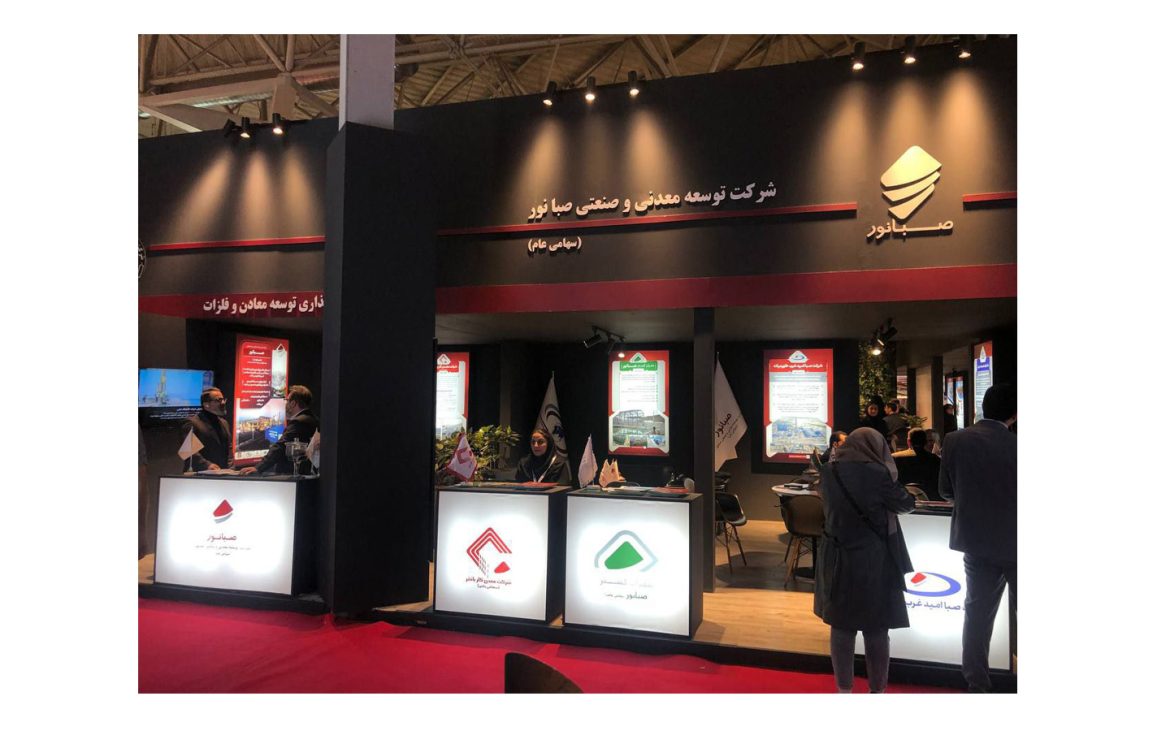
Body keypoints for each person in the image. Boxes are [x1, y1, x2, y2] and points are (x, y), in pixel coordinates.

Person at [815, 427, 915, 693]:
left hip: (836, 559)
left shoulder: (828, 471)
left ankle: (844, 689)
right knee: (876, 627)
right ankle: (877, 690)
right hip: (874, 559)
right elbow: (905, 504)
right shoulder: (878, 473)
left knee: (841, 627)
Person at [939, 383, 1017, 693]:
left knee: (977, 615)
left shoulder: (955, 440)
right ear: (1014, 414)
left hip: (976, 541)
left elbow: (945, 491)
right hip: (1018, 542)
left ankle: (977, 684)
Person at [240, 385, 319, 475]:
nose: (285, 404)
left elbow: (281, 446)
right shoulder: (313, 419)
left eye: (286, 400)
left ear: (293, 403)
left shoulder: (298, 422)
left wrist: (259, 467)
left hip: (292, 475)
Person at [184, 387, 233, 471]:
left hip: (223, 473)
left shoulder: (224, 423)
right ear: (206, 404)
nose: (223, 403)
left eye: (223, 399)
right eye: (218, 400)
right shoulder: (192, 423)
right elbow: (188, 451)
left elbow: (229, 448)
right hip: (200, 474)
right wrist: (207, 465)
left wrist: (230, 466)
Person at [893, 428, 943, 500]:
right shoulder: (936, 460)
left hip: (901, 499)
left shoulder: (895, 458)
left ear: (909, 442)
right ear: (925, 442)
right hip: (932, 501)